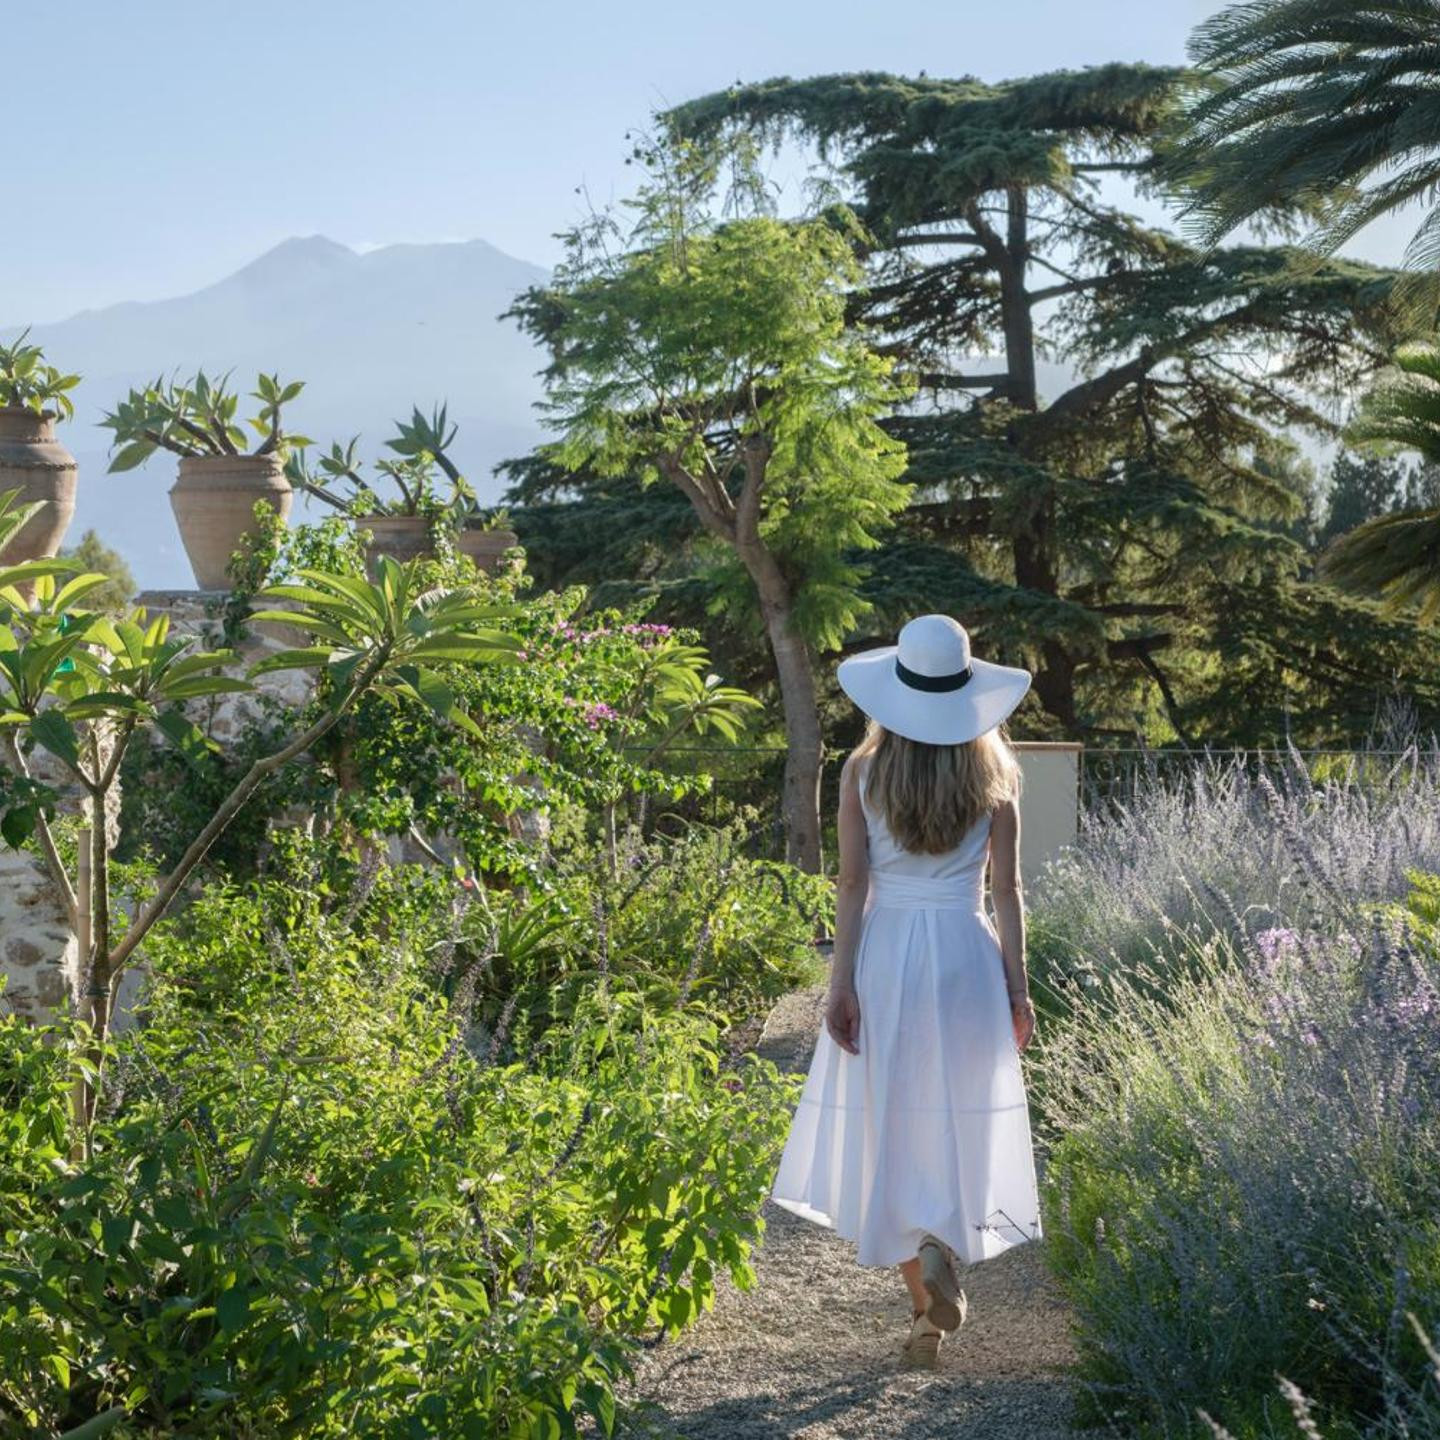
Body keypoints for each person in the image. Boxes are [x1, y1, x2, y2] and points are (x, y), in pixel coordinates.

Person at [769, 614, 1042, 1368]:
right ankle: (941, 1248)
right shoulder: (997, 775)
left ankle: (924, 1314)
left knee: (890, 1124)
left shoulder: (863, 772)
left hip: (888, 955)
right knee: (958, 1120)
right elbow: (1009, 891)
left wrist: (841, 983)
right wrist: (1018, 990)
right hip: (964, 956)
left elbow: (853, 884)